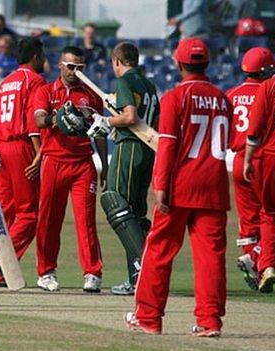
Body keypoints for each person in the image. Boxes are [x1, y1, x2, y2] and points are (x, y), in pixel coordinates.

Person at [125, 38, 231, 337]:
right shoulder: (223, 98)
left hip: (180, 186)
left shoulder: (174, 97)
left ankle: (148, 316)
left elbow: (167, 145)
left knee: (159, 250)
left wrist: (160, 184)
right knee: (211, 257)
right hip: (214, 186)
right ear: (207, 63)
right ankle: (210, 321)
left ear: (179, 63)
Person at [32, 46, 107, 293]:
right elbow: (39, 120)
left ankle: (93, 273)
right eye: (71, 67)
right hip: (54, 160)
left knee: (86, 221)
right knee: (49, 219)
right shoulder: (46, 91)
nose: (76, 72)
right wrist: (59, 118)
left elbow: (101, 133)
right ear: (60, 66)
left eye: (81, 68)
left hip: (83, 163)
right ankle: (46, 272)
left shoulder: (92, 96)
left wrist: (104, 165)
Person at [91, 42, 159, 296]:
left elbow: (130, 117)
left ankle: (145, 270)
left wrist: (106, 120)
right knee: (136, 215)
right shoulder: (150, 85)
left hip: (129, 146)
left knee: (115, 203)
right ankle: (138, 280)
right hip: (148, 150)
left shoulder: (125, 82)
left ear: (117, 61)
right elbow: (155, 123)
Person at [0, 37, 45, 287]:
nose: (44, 60)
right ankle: (1, 258)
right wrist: (39, 154)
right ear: (35, 56)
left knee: (2, 211)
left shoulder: (5, 82)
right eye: (41, 55)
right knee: (30, 213)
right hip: (22, 148)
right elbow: (34, 123)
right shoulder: (36, 81)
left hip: (1, 146)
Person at [225, 47, 275, 291]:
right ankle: (256, 256)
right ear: (266, 69)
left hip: (237, 160)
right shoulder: (271, 92)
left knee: (248, 223)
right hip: (263, 158)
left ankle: (255, 273)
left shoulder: (231, 94)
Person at [244, 40, 275, 293]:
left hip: (272, 155)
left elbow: (254, 130)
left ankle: (267, 266)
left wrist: (249, 159)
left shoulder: (269, 85)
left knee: (270, 214)